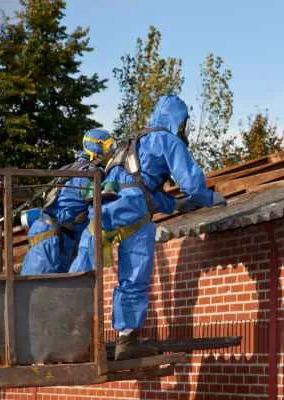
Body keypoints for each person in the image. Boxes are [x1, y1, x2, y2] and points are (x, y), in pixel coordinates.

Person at [70, 95, 226, 360]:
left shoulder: (131, 143)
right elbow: (192, 184)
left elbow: (137, 185)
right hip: (134, 216)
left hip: (102, 212)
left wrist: (174, 205)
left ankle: (63, 331)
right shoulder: (168, 139)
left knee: (79, 277)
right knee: (134, 275)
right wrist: (209, 198)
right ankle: (127, 339)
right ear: (178, 120)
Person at [20, 129, 115, 275]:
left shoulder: (71, 168)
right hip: (52, 238)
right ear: (97, 147)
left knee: (54, 291)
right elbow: (99, 207)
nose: (111, 151)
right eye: (109, 146)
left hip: (56, 235)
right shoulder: (90, 174)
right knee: (37, 290)